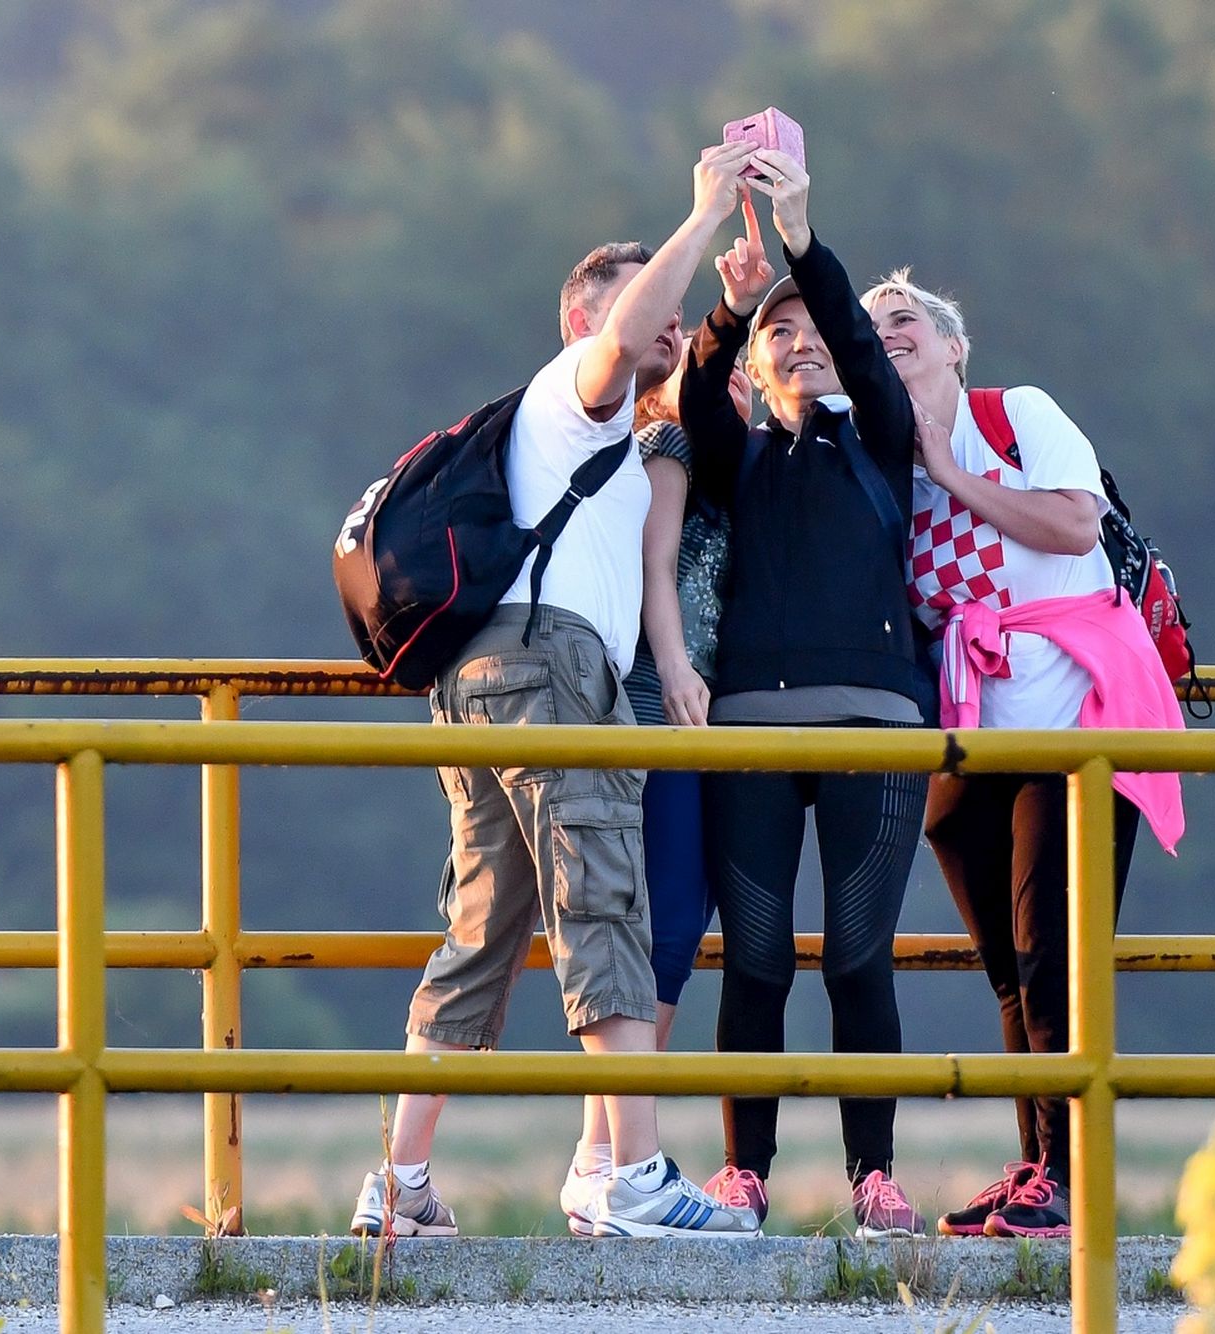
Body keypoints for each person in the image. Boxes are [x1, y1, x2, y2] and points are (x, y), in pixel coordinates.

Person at [349, 140, 766, 1242]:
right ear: (587, 324)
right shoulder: (574, 396)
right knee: (602, 898)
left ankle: (397, 1181)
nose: (662, 331)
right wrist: (702, 213)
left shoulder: (622, 437)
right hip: (545, 671)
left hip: (490, 675)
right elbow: (630, 336)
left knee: (484, 926)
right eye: (644, 312)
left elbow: (679, 379)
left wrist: (723, 312)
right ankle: (630, 1176)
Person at [862, 269, 1185, 1239]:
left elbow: (1072, 522)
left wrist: (953, 472)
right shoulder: (877, 463)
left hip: (1080, 718)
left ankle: (1068, 1175)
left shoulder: (1016, 415)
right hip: (973, 729)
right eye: (868, 327)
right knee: (1008, 965)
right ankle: (1035, 1163)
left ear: (955, 344)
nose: (888, 335)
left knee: (1053, 951)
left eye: (905, 320)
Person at [679, 152, 932, 1239]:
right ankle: (743, 1175)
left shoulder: (880, 439)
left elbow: (867, 353)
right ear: (756, 357)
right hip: (747, 729)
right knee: (758, 954)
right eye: (777, 332)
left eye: (811, 326)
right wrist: (730, 307)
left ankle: (872, 1175)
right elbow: (692, 401)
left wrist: (797, 241)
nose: (800, 339)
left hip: (875, 723)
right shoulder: (737, 456)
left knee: (860, 953)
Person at [557, 335, 745, 1235]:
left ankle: (604, 1157)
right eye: (730, 368)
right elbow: (657, 566)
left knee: (674, 913)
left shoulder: (716, 451)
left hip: (693, 707)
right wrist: (672, 669)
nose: (740, 383)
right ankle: (614, 1158)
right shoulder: (667, 437)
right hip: (658, 702)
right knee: (664, 916)